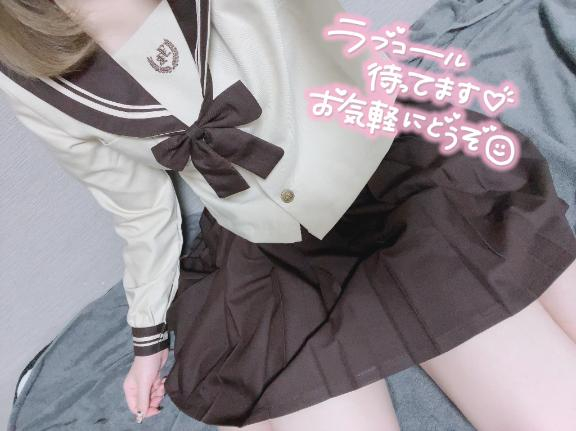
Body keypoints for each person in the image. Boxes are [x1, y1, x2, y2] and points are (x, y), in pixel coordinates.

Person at [2, 0, 576, 429]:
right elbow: (137, 206)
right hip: (269, 251)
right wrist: (148, 335)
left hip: (385, 183)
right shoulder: (24, 66)